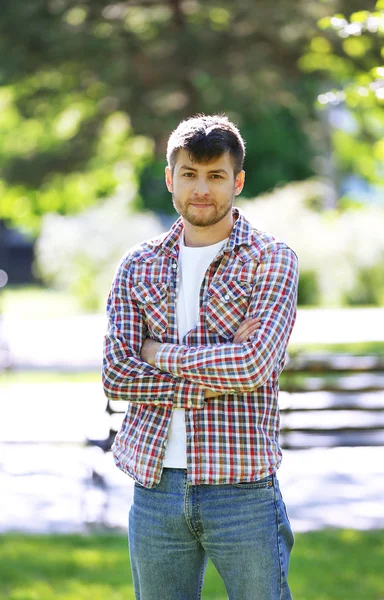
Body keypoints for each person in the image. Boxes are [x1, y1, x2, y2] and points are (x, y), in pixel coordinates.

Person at [102, 114, 299, 600]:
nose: (202, 189)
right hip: (155, 490)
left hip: (243, 488)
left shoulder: (271, 259)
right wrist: (224, 362)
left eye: (215, 176)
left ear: (238, 180)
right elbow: (116, 375)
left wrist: (156, 352)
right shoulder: (137, 265)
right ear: (170, 178)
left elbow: (253, 366)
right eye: (190, 174)